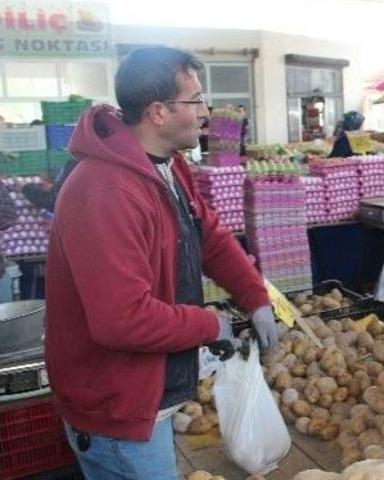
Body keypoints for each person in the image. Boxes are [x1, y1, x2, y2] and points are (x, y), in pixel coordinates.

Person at [44, 46, 279, 479]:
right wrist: (209, 325)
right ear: (158, 112)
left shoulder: (166, 167)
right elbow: (121, 319)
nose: (207, 111)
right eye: (196, 100)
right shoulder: (106, 192)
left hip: (147, 393)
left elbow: (208, 237)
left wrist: (254, 296)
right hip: (117, 409)